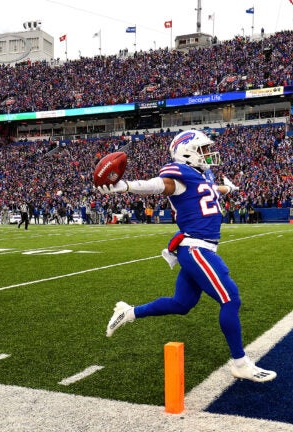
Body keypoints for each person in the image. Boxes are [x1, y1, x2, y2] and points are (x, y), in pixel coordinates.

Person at [99, 130, 276, 383]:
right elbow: (159, 185)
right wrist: (125, 186)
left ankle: (129, 312)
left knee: (182, 304)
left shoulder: (200, 177)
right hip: (196, 248)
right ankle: (240, 363)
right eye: (202, 149)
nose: (207, 154)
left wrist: (229, 188)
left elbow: (214, 189)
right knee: (231, 299)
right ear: (187, 151)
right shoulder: (178, 174)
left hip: (198, 248)